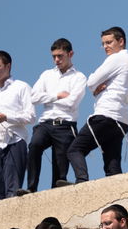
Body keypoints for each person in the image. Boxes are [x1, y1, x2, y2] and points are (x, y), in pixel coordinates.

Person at [68, 26, 128, 182]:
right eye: (103, 43)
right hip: (122, 120)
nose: (105, 47)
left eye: (109, 42)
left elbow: (91, 81)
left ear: (121, 41)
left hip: (105, 115)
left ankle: (81, 182)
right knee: (112, 168)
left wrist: (95, 88)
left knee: (75, 149)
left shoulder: (117, 58)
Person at [26, 38, 87, 191]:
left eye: (60, 56)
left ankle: (56, 191)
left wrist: (46, 98)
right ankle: (31, 188)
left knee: (59, 170)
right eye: (54, 56)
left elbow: (72, 103)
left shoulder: (79, 77)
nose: (56, 60)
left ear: (70, 54)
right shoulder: (47, 75)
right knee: (34, 145)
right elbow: (33, 97)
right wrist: (57, 96)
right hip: (45, 122)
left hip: (65, 125)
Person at [0, 50, 34, 201]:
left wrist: (7, 118)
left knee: (13, 191)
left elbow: (31, 116)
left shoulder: (21, 87)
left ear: (8, 66)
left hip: (14, 142)